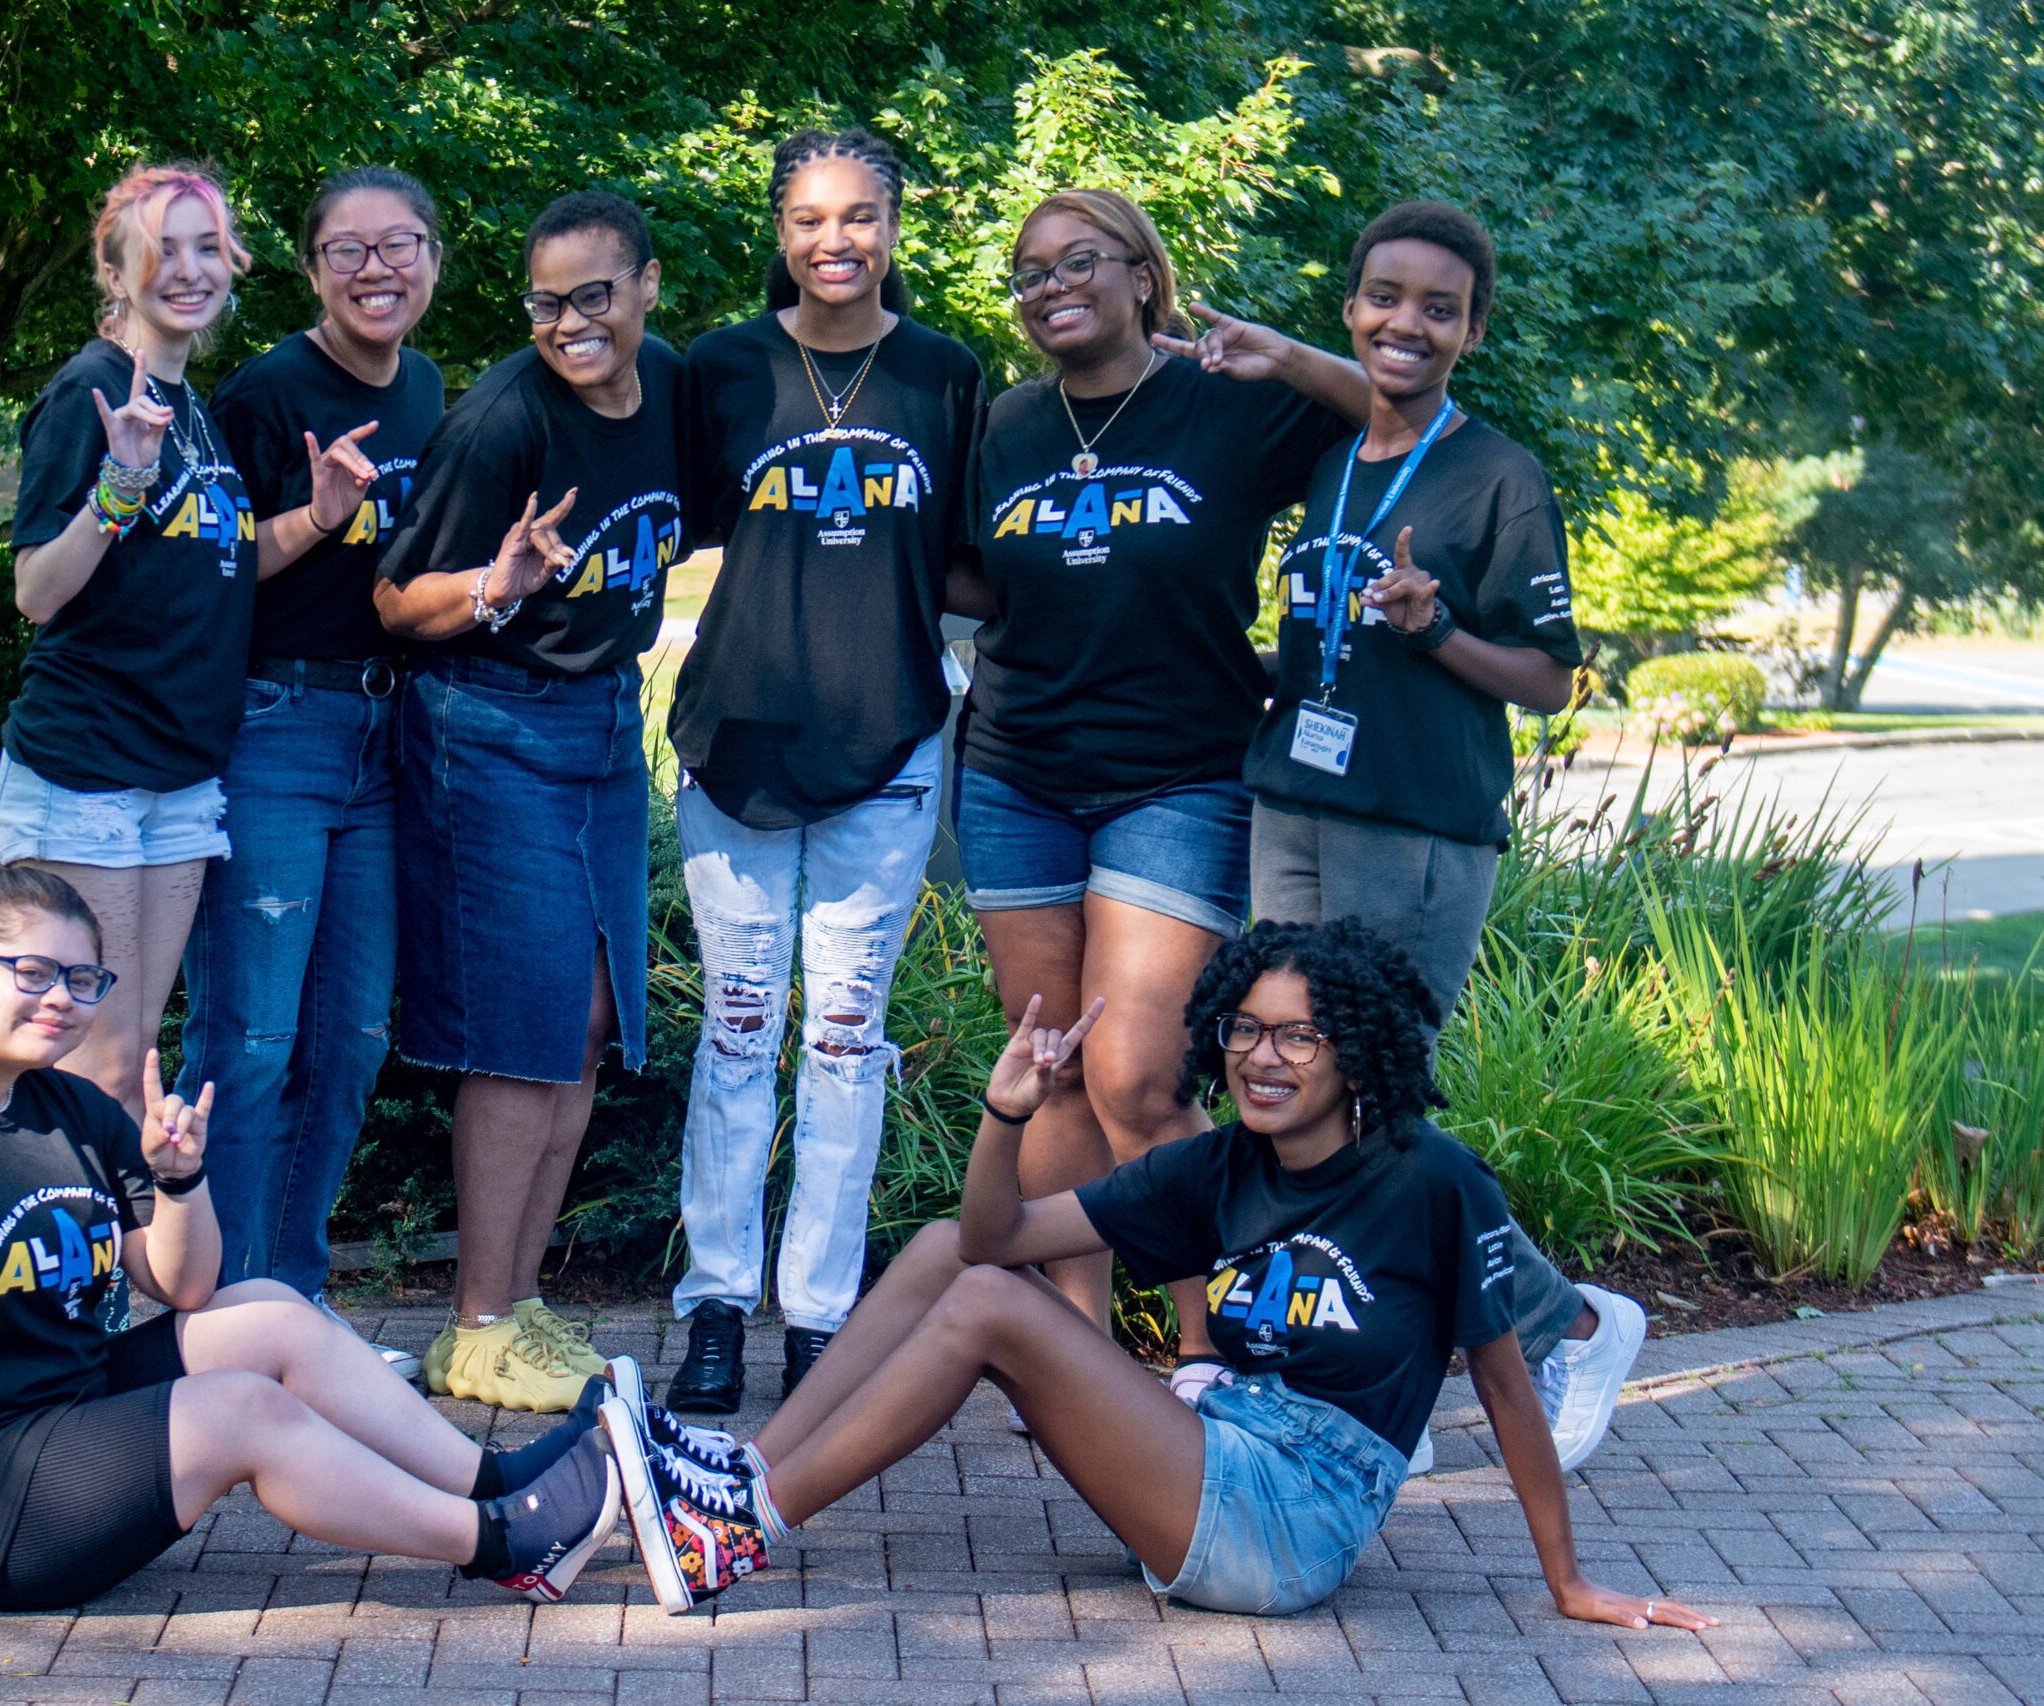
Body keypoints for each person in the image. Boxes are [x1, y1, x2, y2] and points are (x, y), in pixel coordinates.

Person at [595, 920, 1720, 1640]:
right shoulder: (1221, 1162)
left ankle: (735, 1529)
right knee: (951, 1251)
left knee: (987, 1306)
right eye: (1244, 1030)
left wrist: (1567, 1579)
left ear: (1358, 1053)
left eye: (1299, 1038)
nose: (1262, 1057)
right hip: (1217, 1446)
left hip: (1297, 1516)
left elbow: (1510, 1387)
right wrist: (1006, 1113)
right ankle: (737, 1470)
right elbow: (990, 1234)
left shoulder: (1432, 1182)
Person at [0, 868, 624, 1624]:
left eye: (83, 980)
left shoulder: (68, 1107)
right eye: (34, 973)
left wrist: (179, 1179)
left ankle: (497, 1478)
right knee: (241, 1410)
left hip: (68, 1413)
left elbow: (186, 1287)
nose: (62, 1000)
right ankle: (502, 1542)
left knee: (273, 1317)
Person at [1238, 200, 1644, 1469]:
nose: (1404, 322)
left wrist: (1433, 629)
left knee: (1367, 1106)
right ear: (1349, 305)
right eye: (1382, 296)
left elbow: (1549, 675)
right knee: (1300, 1100)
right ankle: (1376, 1376)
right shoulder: (1332, 453)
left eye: (1436, 306)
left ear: (1473, 328)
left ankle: (1567, 1318)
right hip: (1293, 797)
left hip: (1415, 824)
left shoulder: (1497, 476)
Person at [957, 188, 1366, 1387]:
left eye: (1079, 261)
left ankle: (1208, 1342)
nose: (1050, 286)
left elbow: (1392, 407)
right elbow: (971, 573)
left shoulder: (1221, 404)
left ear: (1145, 275)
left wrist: (1282, 351)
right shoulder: (1006, 425)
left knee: (1141, 1074)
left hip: (1178, 774)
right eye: (1028, 272)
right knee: (1058, 1068)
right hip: (1016, 773)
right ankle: (1074, 1349)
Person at [662, 128, 987, 1412]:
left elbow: (977, 559)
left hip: (890, 739)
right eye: (806, 218)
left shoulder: (946, 374)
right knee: (738, 1026)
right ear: (779, 230)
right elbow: (665, 521)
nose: (832, 240)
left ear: (896, 226)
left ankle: (823, 1314)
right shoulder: (723, 368)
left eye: (857, 216)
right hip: (737, 744)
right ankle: (714, 1304)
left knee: (846, 1035)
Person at [375, 191, 684, 1413]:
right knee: (529, 1023)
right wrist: (494, 586)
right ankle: (478, 1322)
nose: (568, 324)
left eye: (592, 295)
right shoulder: (499, 423)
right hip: (489, 722)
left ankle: (520, 1302)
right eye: (545, 301)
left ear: (646, 286)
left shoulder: (669, 388)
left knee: (593, 1016)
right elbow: (397, 603)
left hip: (603, 715)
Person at [179, 167, 446, 1377]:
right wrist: (317, 515)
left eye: (400, 246)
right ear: (308, 268)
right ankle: (225, 1303)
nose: (376, 268)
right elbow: (200, 578)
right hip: (275, 727)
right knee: (252, 1036)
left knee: (351, 1035)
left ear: (434, 260)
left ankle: (290, 1294)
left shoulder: (433, 391)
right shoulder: (265, 392)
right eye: (349, 250)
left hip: (385, 741)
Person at [0, 163, 261, 1124]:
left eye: (206, 247)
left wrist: (317, 518)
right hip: (89, 769)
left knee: (130, 1055)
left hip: (179, 775)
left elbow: (211, 575)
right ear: (116, 273)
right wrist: (119, 486)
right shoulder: (92, 394)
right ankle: (56, 1268)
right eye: (161, 250)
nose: (188, 270)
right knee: (89, 1060)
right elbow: (37, 591)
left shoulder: (194, 408)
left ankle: (106, 1272)